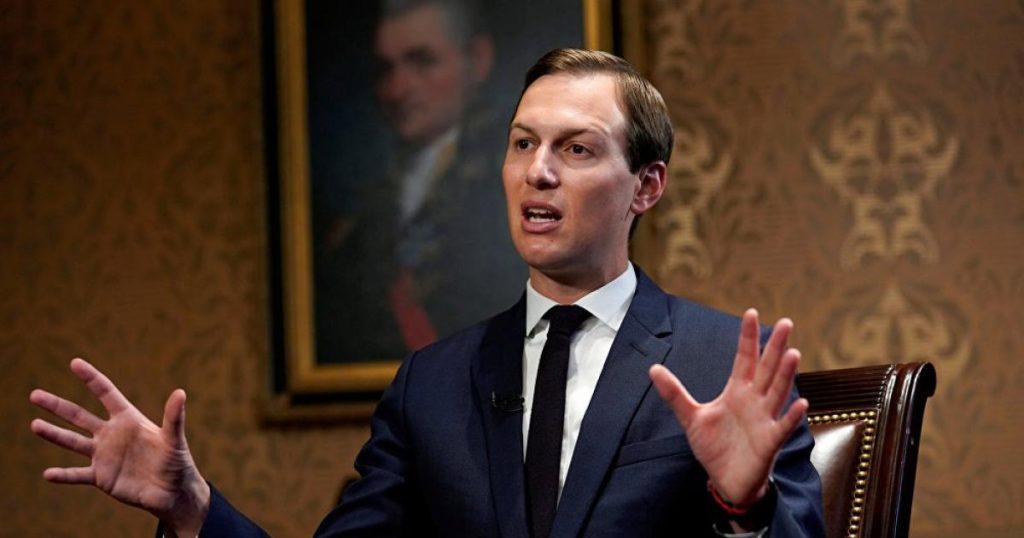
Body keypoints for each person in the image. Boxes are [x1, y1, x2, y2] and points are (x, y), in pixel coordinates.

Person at [30, 49, 824, 537]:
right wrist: (194, 508)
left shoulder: (726, 364)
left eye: (577, 149)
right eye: (522, 143)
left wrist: (743, 506)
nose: (538, 171)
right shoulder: (432, 386)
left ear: (646, 186)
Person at [313, 0, 524, 362]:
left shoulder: (513, 181)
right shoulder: (368, 204)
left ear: (477, 60)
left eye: (422, 62)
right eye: (386, 69)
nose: (397, 89)